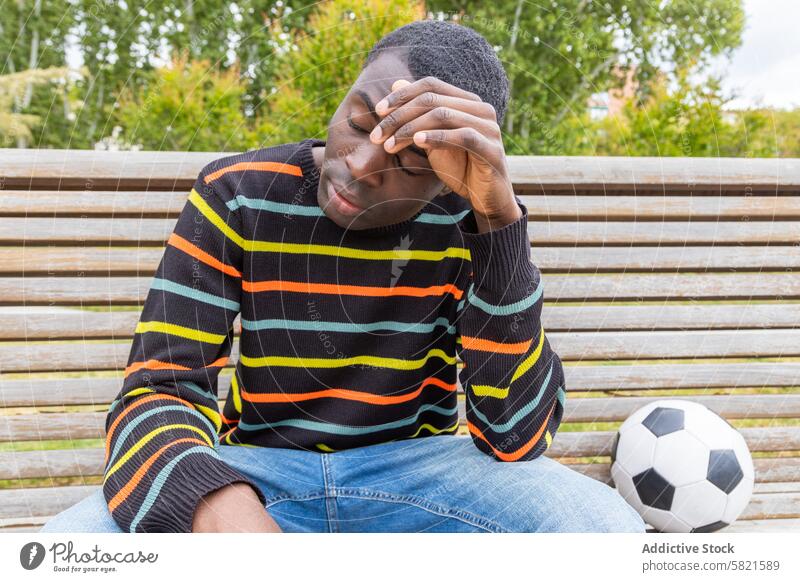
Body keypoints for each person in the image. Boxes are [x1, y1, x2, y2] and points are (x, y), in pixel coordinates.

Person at [40, 19, 646, 534]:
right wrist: (215, 502)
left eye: (410, 164)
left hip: (421, 476)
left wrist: (498, 224)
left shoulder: (468, 221)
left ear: (444, 176)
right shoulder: (238, 195)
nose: (358, 168)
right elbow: (158, 391)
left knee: (604, 531)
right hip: (257, 473)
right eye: (357, 123)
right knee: (59, 553)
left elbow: (516, 437)